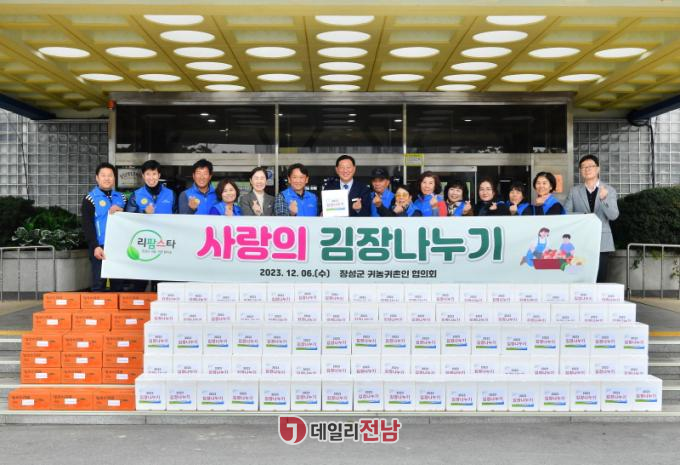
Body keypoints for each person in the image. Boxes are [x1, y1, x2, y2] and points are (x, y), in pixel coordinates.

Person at [564, 154, 619, 282]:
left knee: (600, 278)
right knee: (579, 276)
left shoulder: (609, 190)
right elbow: (566, 214)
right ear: (580, 171)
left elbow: (613, 215)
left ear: (598, 169)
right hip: (580, 240)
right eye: (583, 167)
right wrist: (585, 217)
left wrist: (604, 199)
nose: (587, 169)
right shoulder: (574, 191)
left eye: (591, 166)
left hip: (602, 241)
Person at [81, 162, 125, 292]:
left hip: (119, 247)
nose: (107, 178)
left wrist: (123, 211)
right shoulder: (90, 198)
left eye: (110, 175)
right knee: (98, 285)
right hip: (100, 247)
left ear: (114, 178)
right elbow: (87, 225)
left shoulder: (122, 198)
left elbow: (131, 220)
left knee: (119, 286)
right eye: (103, 175)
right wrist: (95, 246)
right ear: (97, 178)